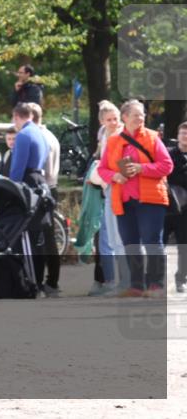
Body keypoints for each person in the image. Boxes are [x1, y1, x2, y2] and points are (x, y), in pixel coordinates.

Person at [97, 100, 174, 298]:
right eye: (135, 115)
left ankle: (156, 285)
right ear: (125, 117)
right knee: (130, 243)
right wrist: (115, 176)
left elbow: (167, 165)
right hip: (123, 199)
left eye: (142, 114)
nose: (140, 118)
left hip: (150, 199)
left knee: (151, 241)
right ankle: (136, 285)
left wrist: (141, 168)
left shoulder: (152, 137)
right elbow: (102, 169)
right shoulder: (114, 141)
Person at [8, 103, 58, 297]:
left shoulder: (23, 135)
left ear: (16, 116)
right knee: (38, 238)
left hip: (27, 185)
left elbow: (17, 169)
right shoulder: (39, 133)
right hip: (40, 183)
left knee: (27, 238)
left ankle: (30, 283)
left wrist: (11, 189)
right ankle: (38, 281)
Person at [85, 100, 127, 296]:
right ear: (102, 121)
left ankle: (120, 281)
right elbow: (101, 159)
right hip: (106, 189)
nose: (113, 123)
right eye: (109, 119)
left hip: (118, 189)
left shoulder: (122, 136)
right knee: (105, 238)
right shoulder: (103, 134)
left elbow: (121, 167)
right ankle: (110, 280)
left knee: (115, 238)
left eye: (115, 119)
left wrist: (101, 175)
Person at [165, 121, 187, 294]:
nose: (185, 136)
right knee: (158, 242)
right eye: (182, 133)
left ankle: (181, 280)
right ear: (178, 136)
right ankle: (155, 278)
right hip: (167, 205)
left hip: (185, 210)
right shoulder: (168, 154)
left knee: (184, 246)